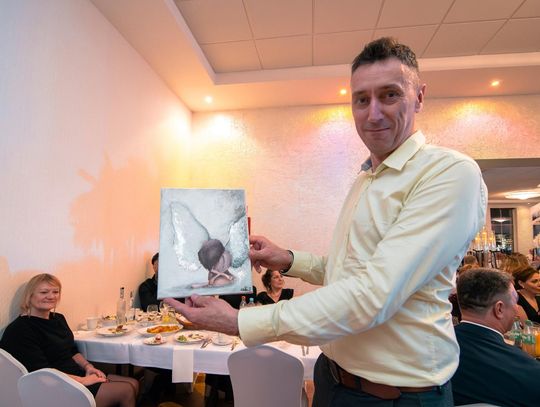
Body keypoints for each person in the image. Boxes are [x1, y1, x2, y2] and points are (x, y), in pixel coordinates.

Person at [165, 37, 487, 406]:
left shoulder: (448, 173)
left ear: (419, 97)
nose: (373, 113)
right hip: (332, 378)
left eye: (389, 95)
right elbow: (348, 271)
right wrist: (288, 259)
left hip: (394, 397)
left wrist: (240, 322)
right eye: (361, 99)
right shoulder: (365, 179)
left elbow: (372, 294)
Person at [0, 273, 138, 407]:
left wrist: (88, 367)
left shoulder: (58, 318)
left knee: (133, 383)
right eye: (44, 292)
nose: (51, 296)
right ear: (29, 296)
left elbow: (71, 351)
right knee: (126, 391)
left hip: (74, 375)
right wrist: (83, 381)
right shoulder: (20, 329)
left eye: (55, 292)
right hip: (53, 387)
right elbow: (42, 374)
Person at [451, 268, 540, 406]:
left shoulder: (437, 349)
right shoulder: (526, 370)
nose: (517, 308)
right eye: (515, 302)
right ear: (499, 309)